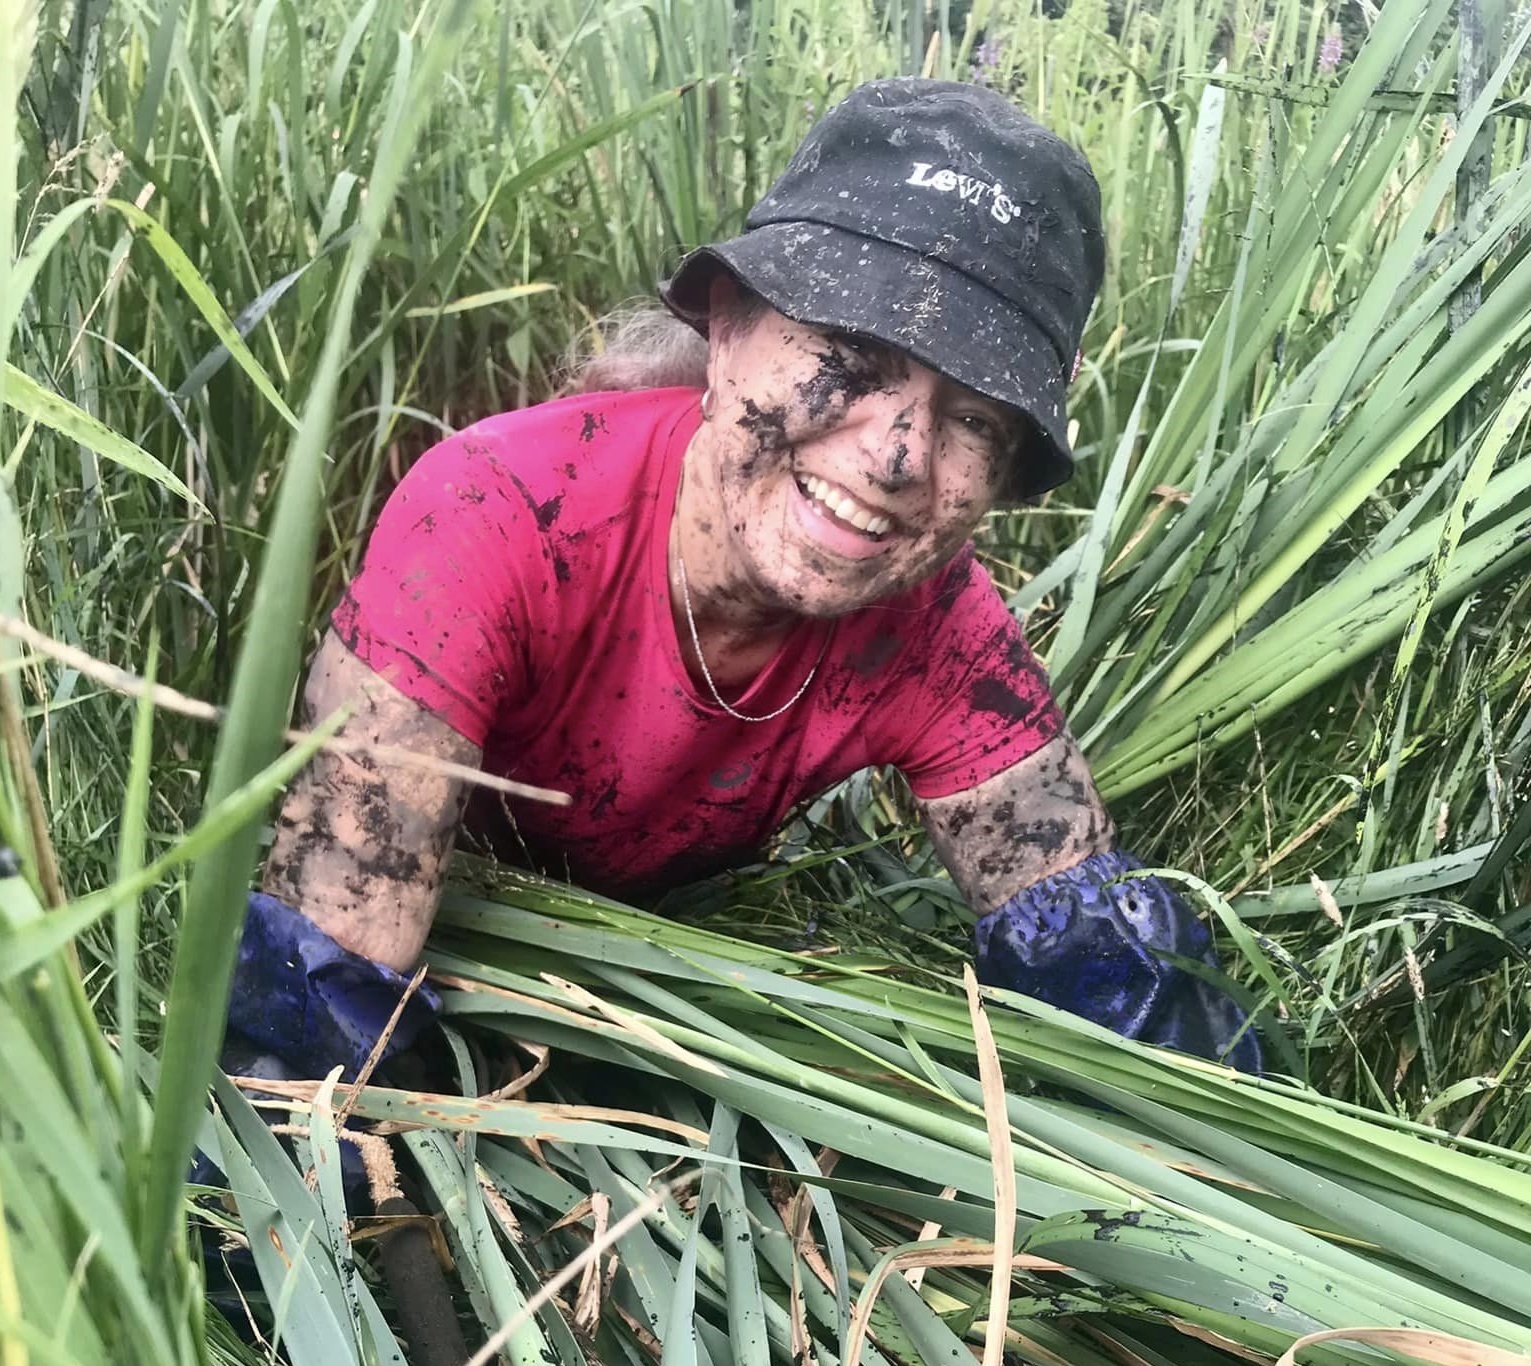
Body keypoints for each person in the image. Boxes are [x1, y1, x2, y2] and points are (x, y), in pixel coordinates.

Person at [224, 78, 1262, 1084]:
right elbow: (317, 1023)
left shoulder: (939, 630)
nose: (899, 455)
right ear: (723, 324)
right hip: (452, 929)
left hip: (666, 976)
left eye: (975, 417)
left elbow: (1111, 973)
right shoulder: (497, 516)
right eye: (853, 355)